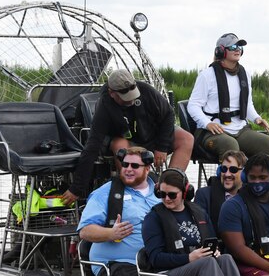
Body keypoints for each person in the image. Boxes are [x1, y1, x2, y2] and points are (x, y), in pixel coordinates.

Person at [62, 69, 193, 205]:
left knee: (186, 138)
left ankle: (170, 186)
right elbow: (92, 146)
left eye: (133, 95)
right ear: (112, 93)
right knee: (120, 145)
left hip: (152, 135)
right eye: (126, 98)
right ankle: (134, 192)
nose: (131, 100)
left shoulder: (146, 90)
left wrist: (162, 147)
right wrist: (76, 188)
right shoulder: (104, 107)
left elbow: (168, 114)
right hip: (125, 141)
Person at [141, 168, 262, 276]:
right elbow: (155, 259)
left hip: (197, 273)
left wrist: (214, 251)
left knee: (225, 258)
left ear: (185, 192)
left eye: (172, 194)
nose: (166, 198)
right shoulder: (153, 218)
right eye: (161, 194)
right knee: (207, 263)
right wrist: (189, 258)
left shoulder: (198, 212)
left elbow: (211, 241)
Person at [77, 146, 160, 276]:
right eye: (125, 164)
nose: (128, 169)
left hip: (158, 260)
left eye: (134, 166)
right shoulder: (105, 193)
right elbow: (85, 231)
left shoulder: (162, 192)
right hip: (118, 264)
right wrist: (111, 233)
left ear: (147, 168)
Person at [186, 33, 269, 161]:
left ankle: (259, 179)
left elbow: (247, 104)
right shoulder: (207, 75)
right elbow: (193, 106)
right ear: (220, 51)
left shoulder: (245, 74)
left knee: (268, 144)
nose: (238, 49)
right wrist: (207, 124)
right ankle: (228, 178)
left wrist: (257, 118)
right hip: (213, 132)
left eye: (240, 47)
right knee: (230, 145)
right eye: (233, 46)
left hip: (240, 130)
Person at [193, 150, 247, 231]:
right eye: (224, 169)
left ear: (244, 173)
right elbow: (201, 229)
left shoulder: (251, 196)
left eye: (233, 170)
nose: (227, 174)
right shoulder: (204, 195)